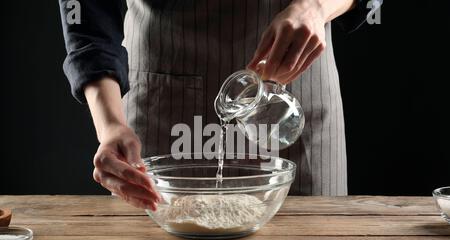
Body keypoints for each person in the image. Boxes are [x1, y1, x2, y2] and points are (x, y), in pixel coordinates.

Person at [59, 0, 379, 210]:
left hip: (293, 97)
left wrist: (315, 6)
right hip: (162, 101)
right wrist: (110, 124)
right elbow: (88, 11)